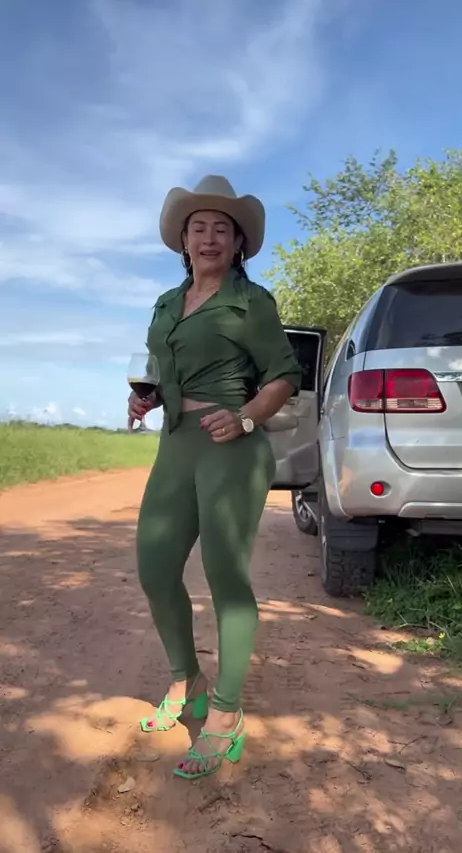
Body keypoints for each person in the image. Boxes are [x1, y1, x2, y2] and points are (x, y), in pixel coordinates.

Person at [128, 175, 301, 780]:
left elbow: (284, 375)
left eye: (221, 230)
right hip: (176, 444)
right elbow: (159, 368)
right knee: (154, 568)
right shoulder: (165, 304)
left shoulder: (251, 302)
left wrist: (247, 417)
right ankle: (188, 682)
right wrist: (147, 397)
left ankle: (226, 713)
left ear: (238, 244)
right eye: (198, 227)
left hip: (231, 445)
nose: (208, 238)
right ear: (183, 239)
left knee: (225, 575)